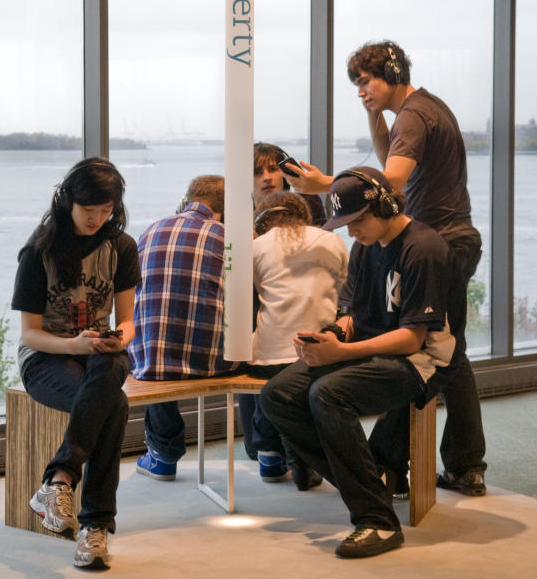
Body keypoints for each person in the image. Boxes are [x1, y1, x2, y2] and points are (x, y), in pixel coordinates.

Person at [284, 40, 487, 496]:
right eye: (356, 84)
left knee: (433, 356)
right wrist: (374, 115)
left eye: (366, 82)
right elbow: (388, 162)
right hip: (450, 237)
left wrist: (324, 186)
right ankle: (447, 464)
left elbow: (389, 184)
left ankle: (416, 463)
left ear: (392, 72)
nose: (360, 91)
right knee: (446, 353)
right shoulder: (419, 110)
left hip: (440, 242)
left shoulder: (414, 115)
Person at [260, 167, 467, 558]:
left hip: (424, 361)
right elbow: (354, 315)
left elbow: (413, 338)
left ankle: (378, 521)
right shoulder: (365, 248)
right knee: (278, 395)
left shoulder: (424, 249)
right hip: (375, 349)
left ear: (385, 204)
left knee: (328, 393)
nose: (352, 232)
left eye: (357, 222)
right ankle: (370, 481)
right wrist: (334, 335)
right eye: (346, 225)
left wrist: (342, 353)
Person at [11, 157, 140, 571]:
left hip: (99, 354)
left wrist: (116, 338)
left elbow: (127, 322)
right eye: (90, 211)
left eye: (107, 212)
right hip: (46, 359)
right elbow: (29, 333)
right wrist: (75, 345)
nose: (98, 220)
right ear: (68, 201)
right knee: (114, 405)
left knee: (112, 364)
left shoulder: (121, 246)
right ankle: (94, 527)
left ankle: (59, 481)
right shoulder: (39, 252)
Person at [127, 175, 239, 481]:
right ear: (227, 209)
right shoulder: (230, 236)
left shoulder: (151, 230)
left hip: (147, 361)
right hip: (212, 363)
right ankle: (270, 451)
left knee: (156, 341)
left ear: (186, 200)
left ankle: (162, 454)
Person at [238, 191, 348, 488]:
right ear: (304, 215)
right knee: (303, 383)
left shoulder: (256, 246)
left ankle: (270, 453)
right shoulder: (332, 241)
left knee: (267, 369)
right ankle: (302, 458)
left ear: (262, 220)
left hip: (270, 356)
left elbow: (245, 299)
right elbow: (345, 291)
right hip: (321, 350)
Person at [253, 142, 327, 227]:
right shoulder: (239, 213)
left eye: (273, 169)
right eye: (257, 172)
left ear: (284, 173)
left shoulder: (309, 202)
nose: (267, 178)